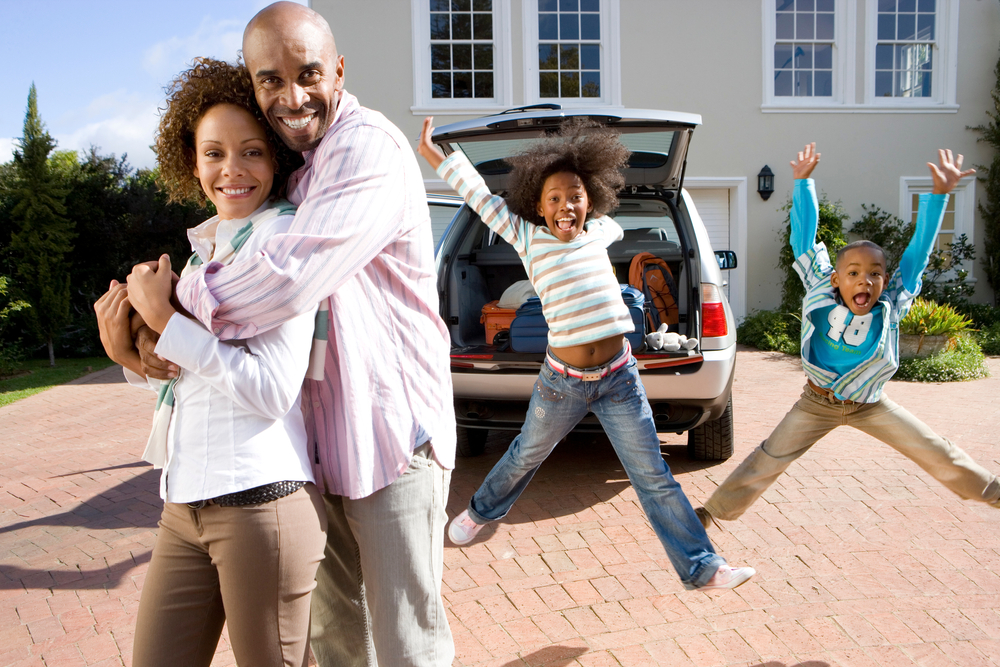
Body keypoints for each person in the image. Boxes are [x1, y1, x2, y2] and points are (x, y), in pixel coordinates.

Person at [133, 4, 456, 666]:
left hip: (392, 438)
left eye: (308, 73)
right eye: (269, 80)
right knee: (339, 648)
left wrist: (165, 310)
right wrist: (146, 333)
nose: (292, 95)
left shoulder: (367, 149)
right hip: (322, 448)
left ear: (338, 70)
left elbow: (284, 281)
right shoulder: (295, 174)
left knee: (407, 648)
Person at [417, 116, 756, 591]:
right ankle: (479, 512)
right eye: (553, 199)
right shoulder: (526, 237)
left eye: (574, 196)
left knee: (653, 476)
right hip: (562, 383)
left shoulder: (602, 232)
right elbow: (477, 195)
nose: (565, 206)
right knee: (523, 456)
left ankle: (702, 566)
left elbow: (615, 230)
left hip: (620, 379)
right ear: (538, 205)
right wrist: (436, 153)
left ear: (590, 202)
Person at [94, 58, 326, 667]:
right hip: (183, 505)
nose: (232, 169)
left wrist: (166, 322)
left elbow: (272, 389)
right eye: (213, 153)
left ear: (276, 158)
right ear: (192, 163)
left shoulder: (282, 241)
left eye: (251, 150)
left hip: (260, 503)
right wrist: (130, 354)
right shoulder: (205, 253)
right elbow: (194, 380)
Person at [697, 143, 1000, 528]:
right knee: (769, 457)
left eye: (874, 273)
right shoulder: (820, 287)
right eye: (854, 272)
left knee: (934, 449)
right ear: (837, 278)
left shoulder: (891, 301)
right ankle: (710, 513)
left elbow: (918, 254)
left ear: (884, 280)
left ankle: (994, 493)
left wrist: (939, 195)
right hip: (816, 402)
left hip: (870, 403)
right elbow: (803, 243)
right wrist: (803, 183)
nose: (865, 280)